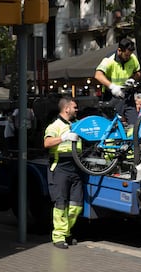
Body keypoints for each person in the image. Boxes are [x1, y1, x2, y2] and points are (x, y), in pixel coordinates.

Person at [43, 97, 83, 249]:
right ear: (66, 109)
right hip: (60, 168)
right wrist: (64, 137)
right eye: (74, 107)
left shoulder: (76, 124)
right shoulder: (55, 125)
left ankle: (66, 232)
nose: (76, 109)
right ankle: (59, 236)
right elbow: (47, 143)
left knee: (76, 205)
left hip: (76, 167)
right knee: (61, 204)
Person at [94, 38, 141, 125]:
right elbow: (98, 75)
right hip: (111, 96)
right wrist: (112, 87)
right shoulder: (109, 60)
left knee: (134, 124)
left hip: (127, 95)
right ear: (119, 50)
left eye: (130, 55)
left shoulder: (132, 58)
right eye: (126, 55)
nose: (128, 57)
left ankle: (132, 138)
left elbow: (138, 72)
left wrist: (133, 79)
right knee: (111, 125)